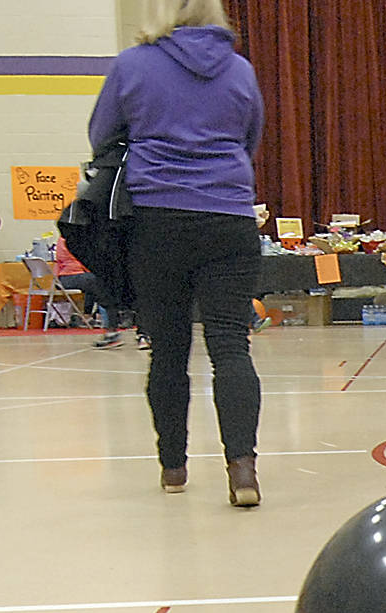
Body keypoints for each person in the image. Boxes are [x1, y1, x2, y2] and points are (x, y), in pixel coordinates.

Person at [88, 0, 264, 505]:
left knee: (167, 350)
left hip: (155, 219)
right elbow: (250, 139)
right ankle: (242, 471)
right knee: (231, 345)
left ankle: (173, 466)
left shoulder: (131, 64)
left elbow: (101, 135)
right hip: (228, 216)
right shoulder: (239, 69)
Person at [55, 235, 122, 344]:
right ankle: (109, 325)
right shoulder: (71, 241)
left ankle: (94, 317)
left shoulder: (66, 239)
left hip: (70, 277)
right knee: (100, 284)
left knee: (96, 285)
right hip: (69, 277)